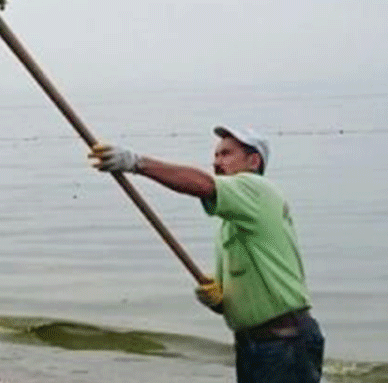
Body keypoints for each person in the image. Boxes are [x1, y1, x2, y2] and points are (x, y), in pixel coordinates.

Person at [89, 125, 324, 383]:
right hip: (257, 343)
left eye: (226, 154)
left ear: (253, 161)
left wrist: (135, 163)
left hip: (284, 344)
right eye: (215, 156)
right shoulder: (232, 221)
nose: (216, 162)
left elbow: (202, 184)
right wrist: (223, 302)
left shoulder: (257, 189)